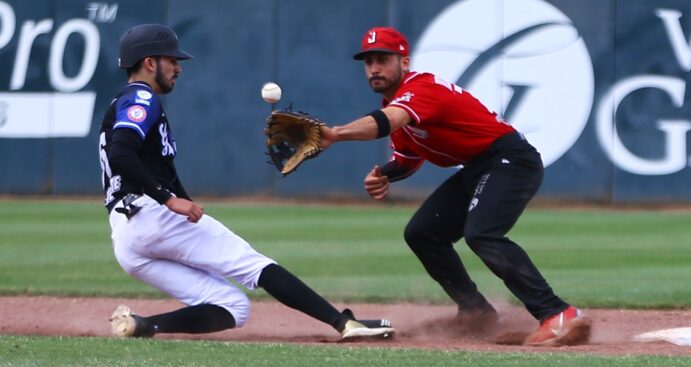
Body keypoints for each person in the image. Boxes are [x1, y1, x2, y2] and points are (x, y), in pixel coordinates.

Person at [98, 24, 394, 340]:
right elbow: (121, 154)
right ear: (149, 63)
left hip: (127, 238)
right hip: (151, 213)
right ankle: (344, 324)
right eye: (172, 60)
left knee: (233, 306)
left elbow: (151, 165)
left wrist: (183, 201)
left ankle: (143, 326)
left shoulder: (125, 101)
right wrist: (169, 200)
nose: (178, 68)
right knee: (255, 266)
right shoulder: (142, 97)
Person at [319, 27, 590, 346]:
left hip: (511, 159)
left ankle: (557, 313)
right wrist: (386, 174)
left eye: (383, 59)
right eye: (368, 62)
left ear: (404, 63)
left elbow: (389, 121)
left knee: (482, 233)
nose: (374, 67)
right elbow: (408, 158)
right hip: (480, 167)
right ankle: (476, 311)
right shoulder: (394, 102)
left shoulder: (420, 88)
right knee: (422, 233)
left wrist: (336, 133)